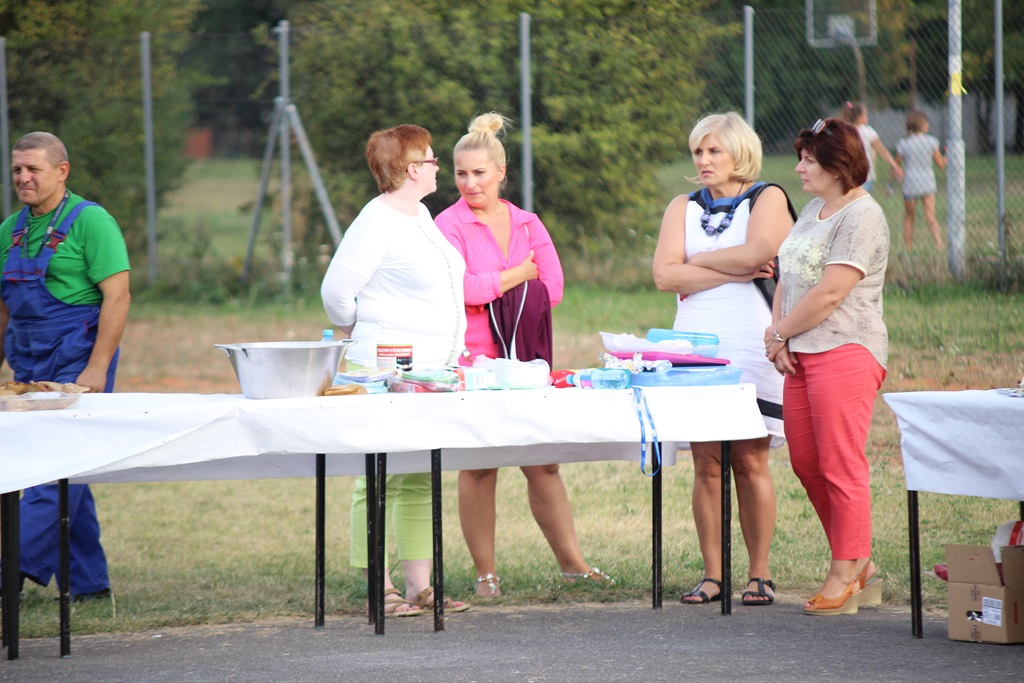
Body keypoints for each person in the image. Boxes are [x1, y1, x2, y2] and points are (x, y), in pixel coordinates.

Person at [434, 112, 613, 597]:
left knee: (543, 464)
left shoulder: (528, 222)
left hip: (527, 360)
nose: (469, 183)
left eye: (479, 173)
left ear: (500, 174)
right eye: (460, 174)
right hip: (473, 362)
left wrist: (499, 284)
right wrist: (517, 275)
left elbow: (551, 287)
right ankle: (485, 574)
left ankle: (573, 564)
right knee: (479, 465)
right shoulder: (446, 225)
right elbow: (460, 290)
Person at [321, 124, 469, 616]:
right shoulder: (376, 221)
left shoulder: (420, 213)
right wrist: (360, 325)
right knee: (377, 475)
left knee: (418, 476)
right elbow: (335, 293)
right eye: (430, 160)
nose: (436, 167)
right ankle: (376, 588)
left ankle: (418, 588)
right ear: (411, 170)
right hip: (384, 368)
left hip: (428, 371)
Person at [652, 112, 794, 606]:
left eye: (714, 150)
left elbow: (761, 248)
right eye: (698, 152)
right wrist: (733, 269)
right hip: (694, 349)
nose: (704, 160)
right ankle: (713, 575)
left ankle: (760, 574)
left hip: (752, 344)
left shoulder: (767, 196)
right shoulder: (681, 206)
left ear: (740, 152)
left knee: (751, 461)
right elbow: (665, 277)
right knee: (707, 463)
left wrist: (694, 262)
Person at [765, 117, 889, 616]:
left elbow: (833, 290)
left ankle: (846, 572)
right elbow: (786, 274)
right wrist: (778, 336)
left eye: (809, 160)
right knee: (807, 463)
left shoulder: (863, 216)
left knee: (841, 464)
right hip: (800, 350)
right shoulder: (814, 209)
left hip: (845, 349)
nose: (798, 168)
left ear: (838, 166)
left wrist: (780, 333)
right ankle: (862, 565)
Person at [0, 132, 131, 601]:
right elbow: (2, 308)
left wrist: (96, 369)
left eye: (33, 169)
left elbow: (118, 296)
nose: (23, 178)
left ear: (62, 170)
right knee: (68, 467)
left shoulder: (91, 222)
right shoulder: (9, 229)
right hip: (28, 362)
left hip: (77, 359)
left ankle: (7, 574)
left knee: (55, 465)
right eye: (17, 169)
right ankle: (89, 584)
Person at [896, 110, 947, 249]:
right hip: (927, 182)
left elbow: (897, 164)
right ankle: (939, 244)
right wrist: (947, 156)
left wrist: (892, 182)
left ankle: (908, 246)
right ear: (923, 125)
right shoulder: (931, 141)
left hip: (910, 183)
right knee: (930, 216)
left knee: (909, 217)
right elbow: (941, 164)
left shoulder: (904, 143)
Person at [840, 101, 902, 194]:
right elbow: (882, 150)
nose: (867, 117)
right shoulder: (868, 131)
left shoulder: (844, 131)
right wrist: (895, 166)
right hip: (865, 176)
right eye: (865, 115)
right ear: (859, 117)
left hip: (847, 176)